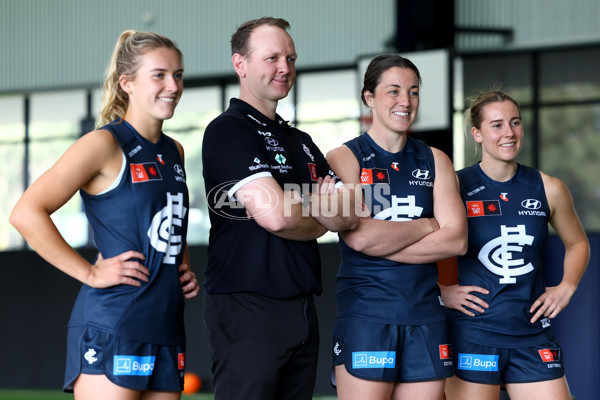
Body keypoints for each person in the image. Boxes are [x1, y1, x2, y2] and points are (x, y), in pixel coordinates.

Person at [10, 30, 199, 399]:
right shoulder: (104, 144)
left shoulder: (174, 150)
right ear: (126, 83)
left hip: (165, 326)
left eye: (177, 75)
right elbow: (25, 213)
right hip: (113, 324)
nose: (173, 85)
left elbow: (169, 218)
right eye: (158, 75)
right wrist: (90, 272)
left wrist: (183, 266)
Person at [201, 17, 359, 400]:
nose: (284, 67)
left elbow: (347, 214)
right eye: (271, 57)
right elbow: (277, 216)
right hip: (248, 304)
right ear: (241, 64)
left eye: (290, 57)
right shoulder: (228, 130)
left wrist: (308, 208)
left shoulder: (300, 140)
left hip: (302, 306)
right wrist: (317, 207)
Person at [325, 54, 468, 400]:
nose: (405, 101)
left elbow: (457, 241)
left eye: (413, 91)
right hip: (367, 316)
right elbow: (359, 237)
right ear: (369, 97)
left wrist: (382, 240)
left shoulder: (436, 159)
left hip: (425, 315)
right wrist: (427, 225)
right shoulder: (343, 158)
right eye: (393, 91)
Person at [440, 90, 590, 400]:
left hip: (532, 334)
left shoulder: (548, 187)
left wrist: (566, 287)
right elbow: (425, 242)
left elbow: (577, 243)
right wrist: (440, 289)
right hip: (473, 335)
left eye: (515, 122)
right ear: (477, 133)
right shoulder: (455, 185)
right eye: (497, 125)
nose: (509, 133)